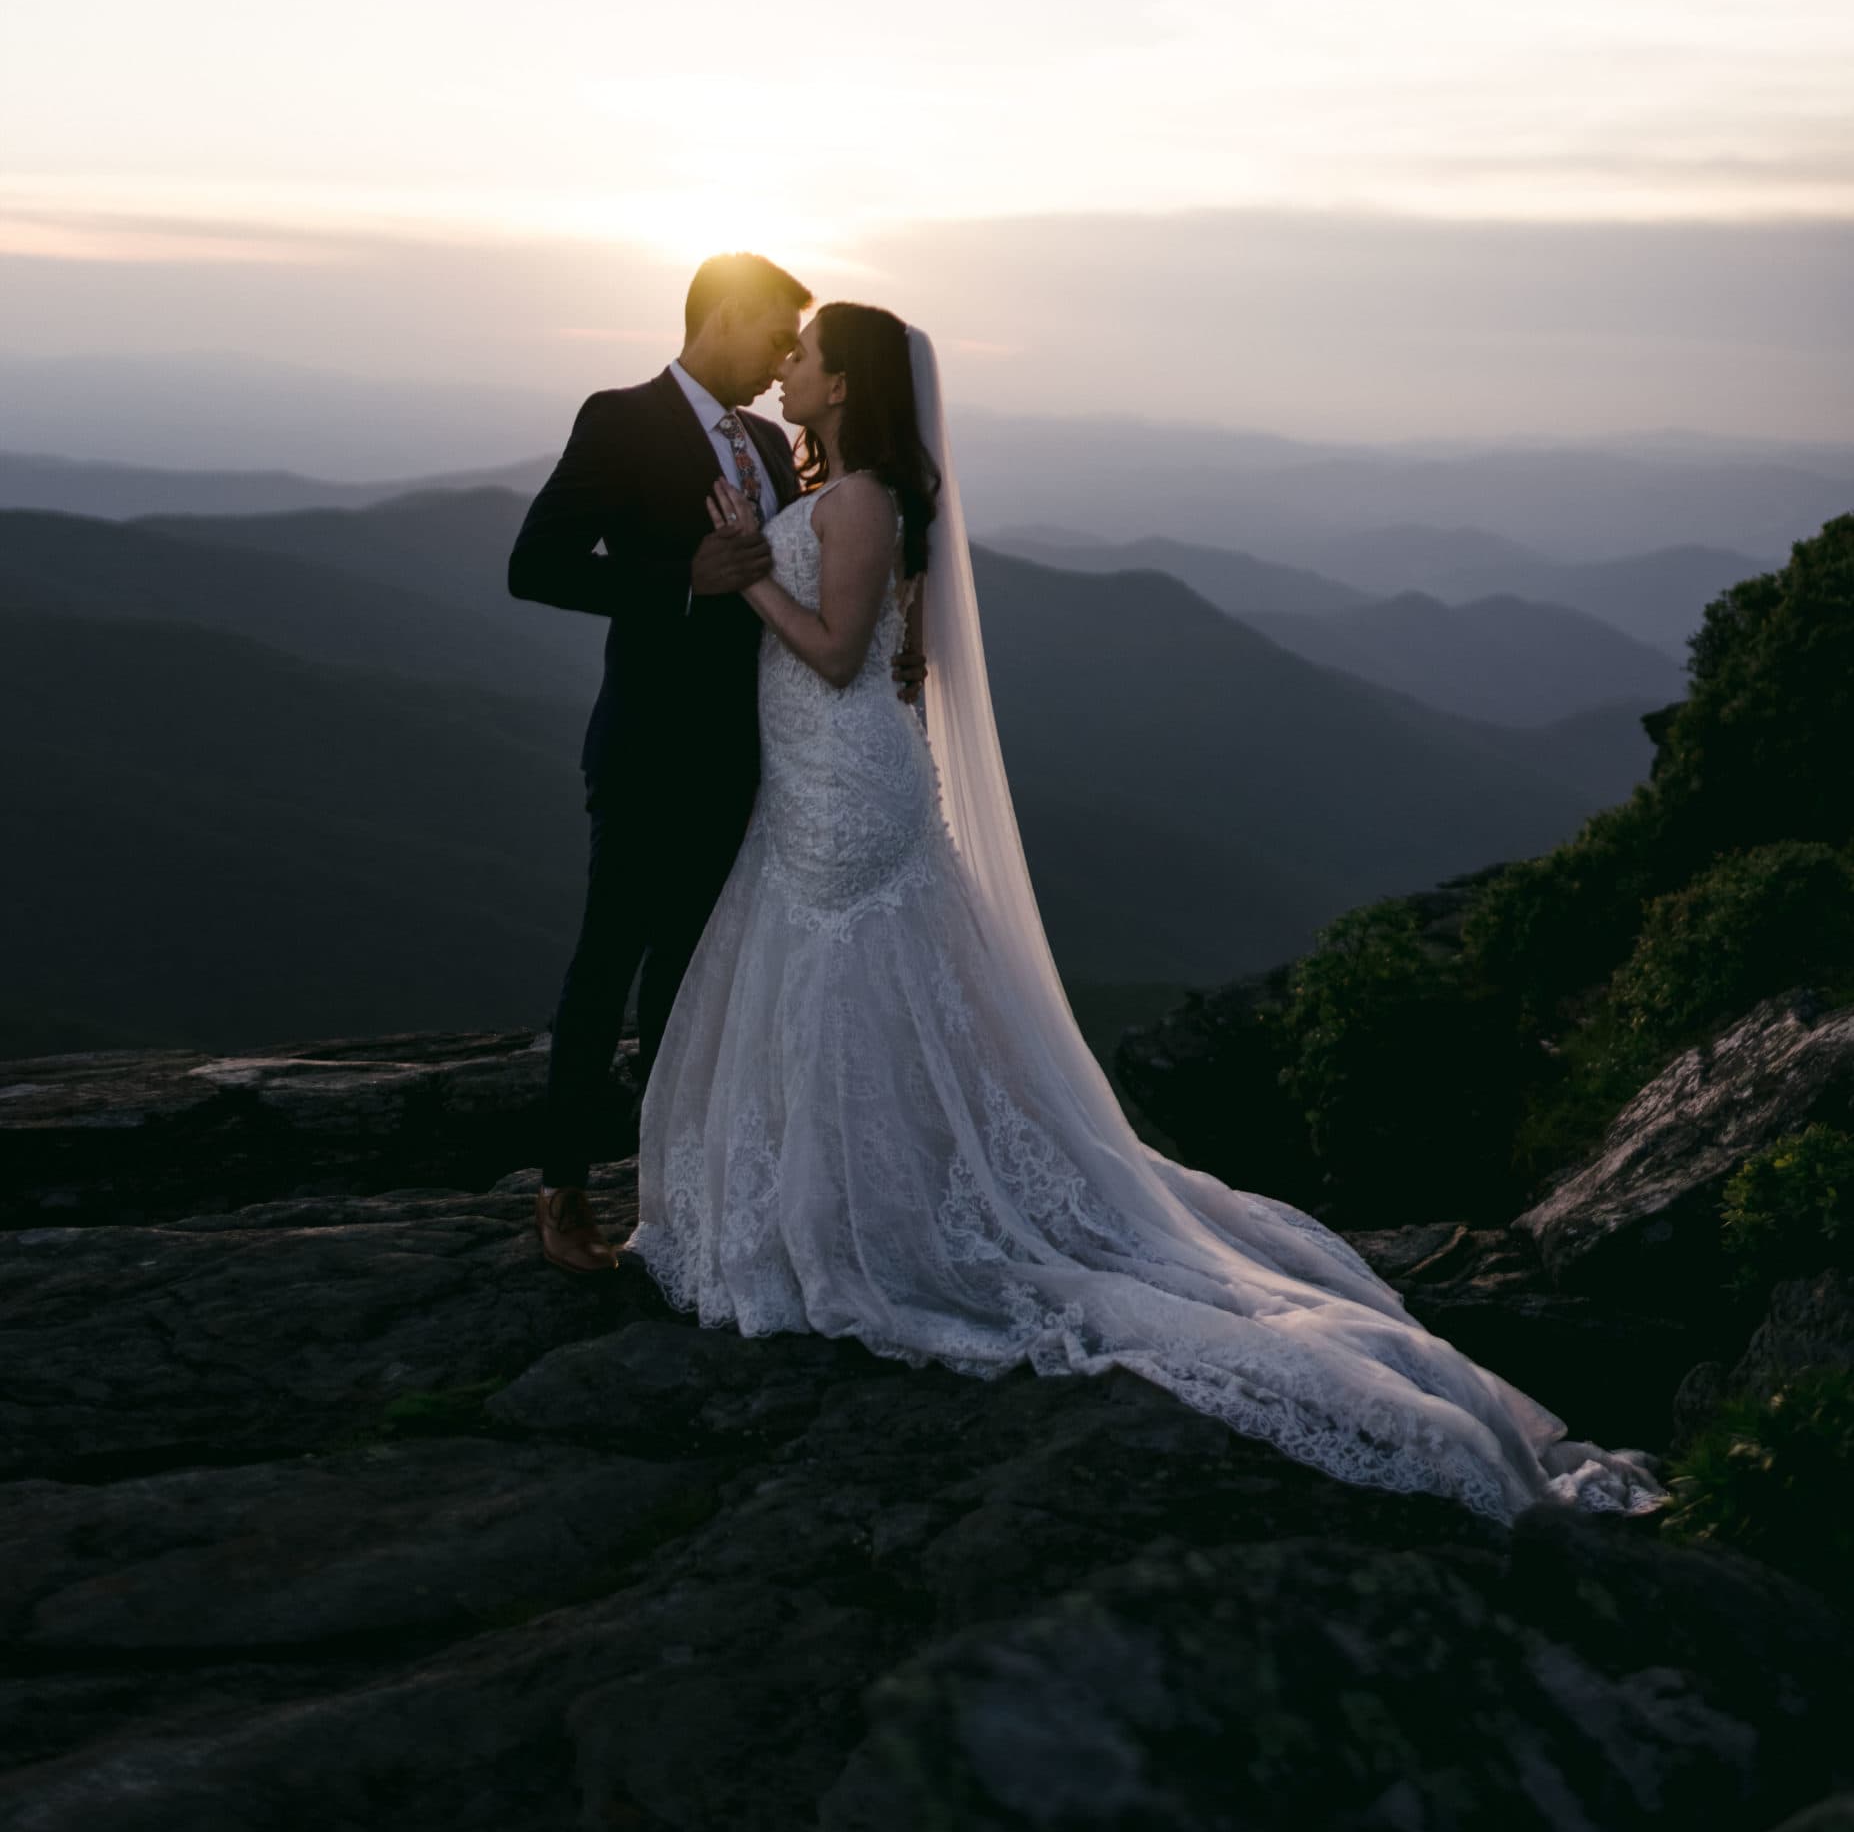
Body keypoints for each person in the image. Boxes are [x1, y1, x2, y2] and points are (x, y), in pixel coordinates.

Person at [628, 303, 1661, 1525]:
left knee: (853, 980)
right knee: (853, 987)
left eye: (803, 357)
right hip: (825, 780)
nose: (786, 371)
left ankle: (871, 1204)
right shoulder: (865, 493)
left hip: (845, 781)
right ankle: (862, 1181)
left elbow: (842, 655)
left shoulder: (857, 501)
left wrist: (749, 576)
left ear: (845, 384)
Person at [508, 252, 812, 1272]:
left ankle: (674, 1195)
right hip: (646, 746)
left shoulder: (772, 443)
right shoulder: (621, 417)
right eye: (774, 333)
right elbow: (536, 563)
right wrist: (680, 577)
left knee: (694, 976)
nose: (782, 360)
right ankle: (561, 1194)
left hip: (748, 754)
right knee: (610, 964)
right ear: (722, 314)